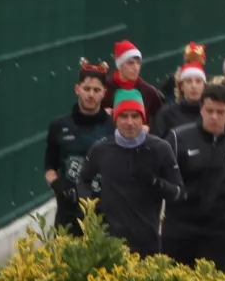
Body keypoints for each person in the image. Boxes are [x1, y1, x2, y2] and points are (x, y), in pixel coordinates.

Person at [162, 84, 225, 271]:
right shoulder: (177, 138)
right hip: (181, 228)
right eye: (209, 110)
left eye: (220, 112)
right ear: (201, 109)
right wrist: (179, 195)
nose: (214, 117)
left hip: (219, 230)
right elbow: (161, 175)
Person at [76, 91, 181, 256]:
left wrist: (155, 183)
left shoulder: (160, 149)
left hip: (148, 242)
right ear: (115, 119)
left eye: (135, 116)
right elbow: (83, 180)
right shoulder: (101, 149)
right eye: (124, 116)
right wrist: (93, 207)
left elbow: (177, 193)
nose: (130, 122)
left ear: (143, 119)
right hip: (110, 243)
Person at [44, 62, 116, 233]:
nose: (91, 94)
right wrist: (58, 187)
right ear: (77, 89)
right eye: (87, 88)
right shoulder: (58, 126)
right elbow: (49, 167)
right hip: (68, 214)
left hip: (104, 215)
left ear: (104, 93)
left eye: (96, 90)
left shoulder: (114, 127)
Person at [104, 40, 164, 122]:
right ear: (120, 66)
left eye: (138, 63)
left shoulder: (149, 92)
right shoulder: (104, 88)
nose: (136, 68)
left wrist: (148, 129)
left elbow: (161, 121)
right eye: (131, 63)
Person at [152, 64, 207, 138]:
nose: (194, 86)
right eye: (188, 81)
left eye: (198, 81)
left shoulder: (213, 112)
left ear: (204, 85)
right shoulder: (167, 114)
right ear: (181, 86)